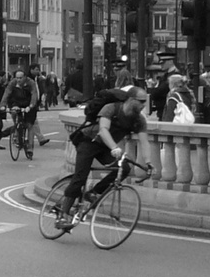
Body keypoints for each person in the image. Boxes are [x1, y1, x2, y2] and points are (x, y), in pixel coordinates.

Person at [55, 85, 155, 227]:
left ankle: (94, 192)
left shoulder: (138, 120)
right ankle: (62, 216)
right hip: (88, 142)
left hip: (105, 148)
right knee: (80, 178)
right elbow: (103, 130)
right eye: (141, 101)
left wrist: (149, 162)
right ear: (131, 100)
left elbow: (144, 142)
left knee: (124, 168)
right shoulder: (111, 108)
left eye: (145, 102)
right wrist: (114, 147)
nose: (143, 105)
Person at [0, 68, 46, 150]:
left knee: (30, 125)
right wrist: (3, 105)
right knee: (16, 119)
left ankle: (30, 147)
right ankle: (17, 136)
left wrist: (31, 106)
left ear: (25, 77)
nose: (18, 80)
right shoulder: (13, 83)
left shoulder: (31, 83)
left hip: (28, 104)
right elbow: (6, 93)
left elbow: (34, 95)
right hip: (16, 103)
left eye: (20, 78)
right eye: (17, 78)